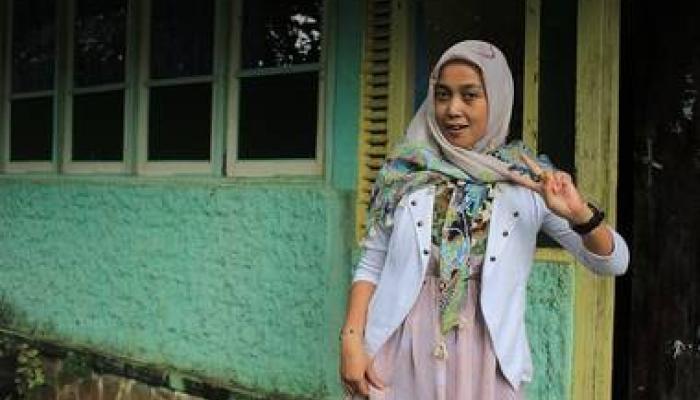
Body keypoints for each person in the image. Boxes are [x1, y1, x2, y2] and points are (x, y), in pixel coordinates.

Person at [339, 40, 629, 399]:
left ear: (497, 98)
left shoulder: (530, 181)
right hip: (399, 350)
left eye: (470, 95)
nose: (452, 109)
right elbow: (372, 263)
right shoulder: (405, 171)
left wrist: (579, 213)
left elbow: (613, 263)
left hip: (488, 358)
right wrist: (351, 340)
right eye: (443, 95)